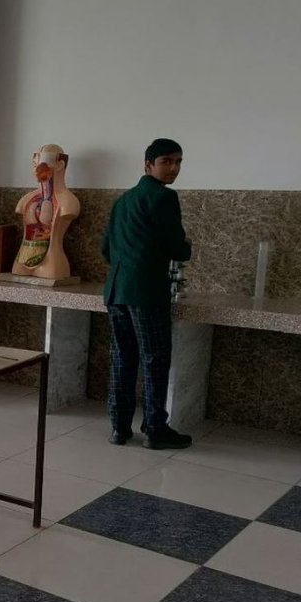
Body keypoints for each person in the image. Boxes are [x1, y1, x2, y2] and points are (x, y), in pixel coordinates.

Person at [100, 138, 193, 449]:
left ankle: (119, 427)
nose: (174, 168)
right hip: (146, 292)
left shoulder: (123, 201)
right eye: (166, 161)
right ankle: (154, 429)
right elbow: (177, 247)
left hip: (116, 290)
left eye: (178, 162)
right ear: (148, 164)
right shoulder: (163, 197)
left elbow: (105, 248)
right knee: (154, 359)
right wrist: (185, 247)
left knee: (122, 358)